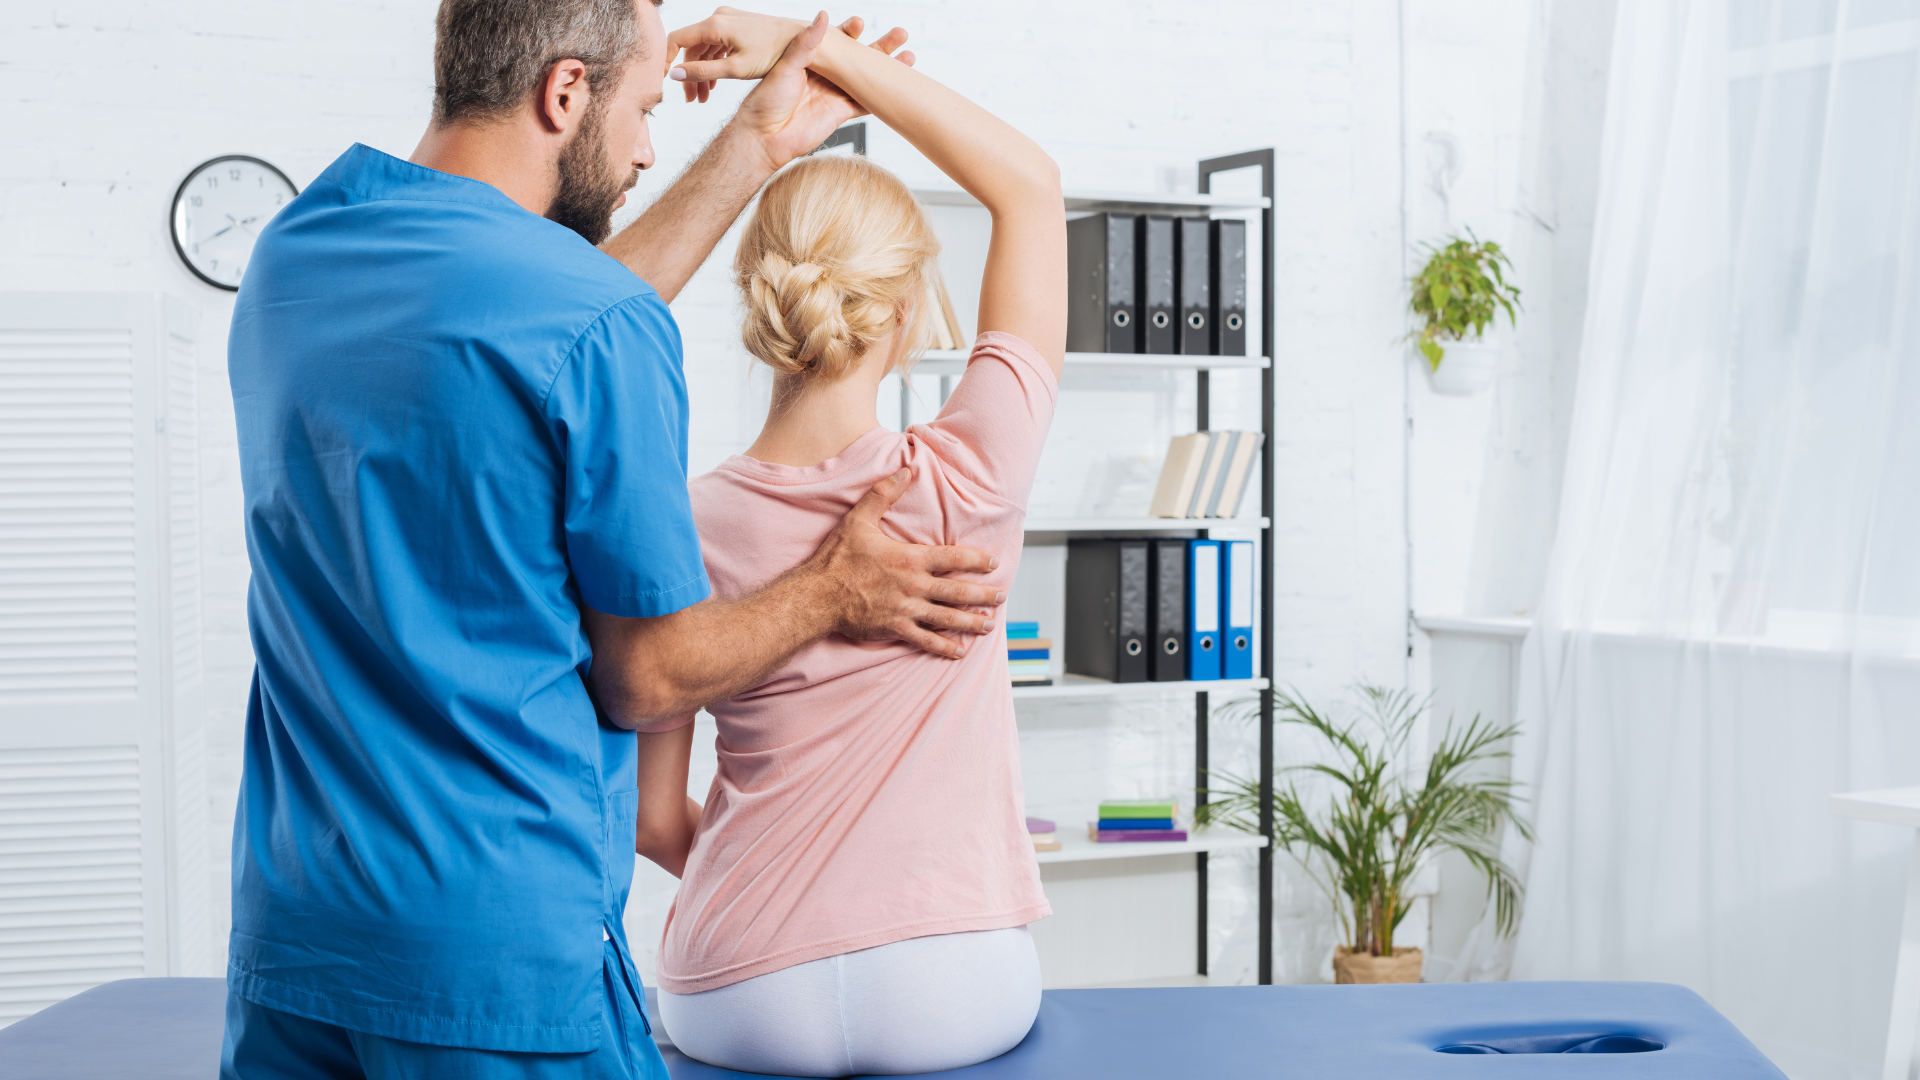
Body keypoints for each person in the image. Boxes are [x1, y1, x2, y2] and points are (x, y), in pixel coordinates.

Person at [220, 4, 1004, 1079]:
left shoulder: (296, 254)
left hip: (298, 936)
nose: (643, 151)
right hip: (492, 966)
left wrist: (754, 147)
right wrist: (834, 586)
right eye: (642, 111)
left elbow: (537, 325)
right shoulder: (595, 324)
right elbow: (647, 679)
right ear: (564, 92)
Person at [618, 11, 1068, 1076]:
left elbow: (652, 819)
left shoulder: (676, 518)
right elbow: (1030, 187)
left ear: (756, 296)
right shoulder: (968, 478)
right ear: (906, 312)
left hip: (734, 988)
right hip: (951, 980)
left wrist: (783, 901)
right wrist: (812, 47)